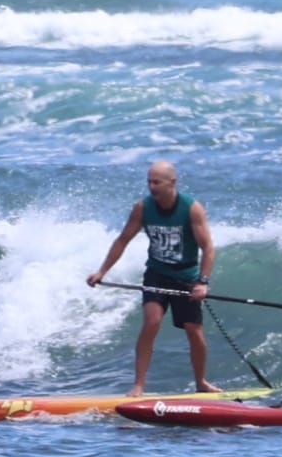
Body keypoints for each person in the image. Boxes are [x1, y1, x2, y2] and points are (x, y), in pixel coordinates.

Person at [87, 159, 221, 396]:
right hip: (157, 274)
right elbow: (122, 240)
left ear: (172, 182)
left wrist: (202, 282)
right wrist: (102, 272)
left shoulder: (191, 208)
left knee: (193, 329)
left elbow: (208, 248)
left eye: (156, 182)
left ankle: (201, 382)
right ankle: (138, 384)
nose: (151, 187)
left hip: (186, 275)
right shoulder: (142, 208)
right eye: (149, 182)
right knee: (152, 322)